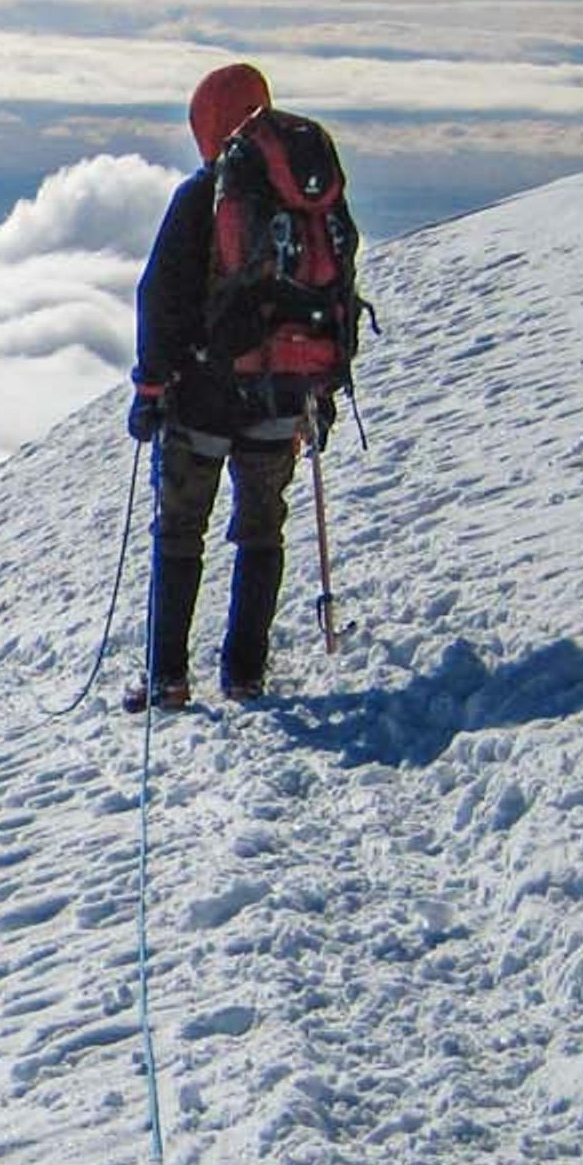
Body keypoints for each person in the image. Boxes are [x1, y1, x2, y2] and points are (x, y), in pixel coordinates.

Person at [125, 63, 364, 709]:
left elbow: (160, 297)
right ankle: (245, 672)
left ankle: (168, 678)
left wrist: (151, 389)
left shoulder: (206, 195)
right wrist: (319, 386)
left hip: (203, 393)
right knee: (261, 530)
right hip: (284, 395)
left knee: (180, 531)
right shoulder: (309, 195)